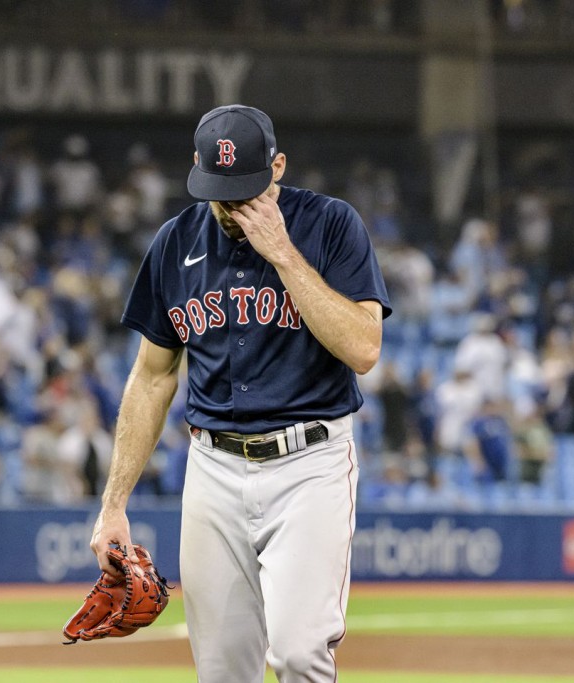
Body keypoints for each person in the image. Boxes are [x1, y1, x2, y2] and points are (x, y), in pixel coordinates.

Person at [88, 104, 390, 682]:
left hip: (310, 462)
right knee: (223, 672)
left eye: (246, 189)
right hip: (213, 468)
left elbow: (364, 348)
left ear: (277, 167)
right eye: (218, 191)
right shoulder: (175, 243)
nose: (231, 207)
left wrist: (282, 253)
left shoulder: (330, 225)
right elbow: (152, 377)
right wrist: (113, 506)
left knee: (300, 654)